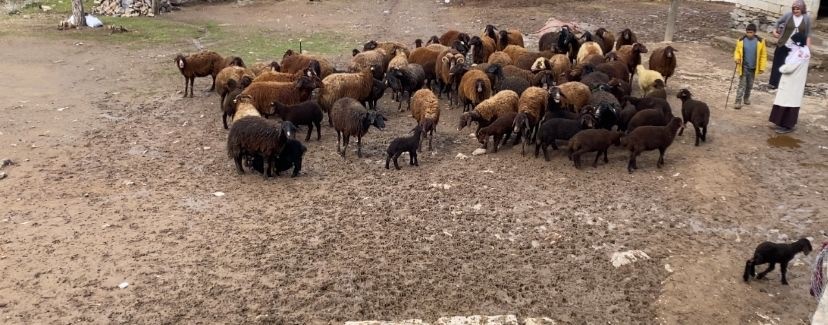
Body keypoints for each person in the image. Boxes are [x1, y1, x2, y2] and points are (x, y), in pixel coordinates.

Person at [769, 32, 810, 134]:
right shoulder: (803, 51)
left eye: (793, 42)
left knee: (788, 103)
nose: (791, 44)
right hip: (793, 82)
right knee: (786, 101)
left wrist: (781, 68)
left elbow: (789, 68)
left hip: (792, 82)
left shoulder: (800, 54)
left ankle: (787, 126)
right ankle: (780, 123)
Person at [768, 0, 812, 89]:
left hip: (797, 47)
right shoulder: (788, 15)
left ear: (802, 9)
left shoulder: (806, 19)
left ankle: (787, 85)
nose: (795, 11)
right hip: (783, 43)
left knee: (792, 65)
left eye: (798, 9)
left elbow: (808, 34)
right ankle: (774, 84)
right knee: (778, 63)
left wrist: (807, 48)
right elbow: (778, 22)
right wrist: (774, 31)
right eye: (794, 9)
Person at [732, 23, 767, 109]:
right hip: (744, 67)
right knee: (742, 85)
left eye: (751, 32)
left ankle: (746, 98)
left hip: (753, 68)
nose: (749, 34)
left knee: (750, 85)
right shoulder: (741, 41)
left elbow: (763, 55)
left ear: (755, 32)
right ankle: (737, 101)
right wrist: (737, 58)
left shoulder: (760, 41)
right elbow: (737, 51)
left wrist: (762, 67)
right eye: (747, 32)